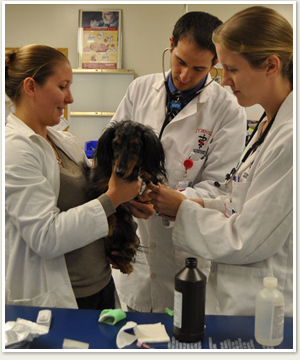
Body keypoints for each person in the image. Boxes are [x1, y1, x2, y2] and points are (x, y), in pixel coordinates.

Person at [148, 6, 293, 316]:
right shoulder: (269, 123)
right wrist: (196, 205)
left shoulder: (291, 138)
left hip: (265, 304)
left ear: (271, 65)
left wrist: (184, 209)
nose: (224, 81)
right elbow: (240, 202)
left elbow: (246, 238)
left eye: (232, 69)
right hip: (236, 295)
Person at [110, 11, 247, 312]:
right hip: (136, 237)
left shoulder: (228, 110)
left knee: (182, 328)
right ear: (171, 45)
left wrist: (170, 200)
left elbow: (219, 186)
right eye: (180, 62)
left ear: (215, 63)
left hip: (184, 245)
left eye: (199, 68)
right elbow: (113, 148)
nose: (185, 75)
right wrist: (126, 191)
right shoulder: (141, 89)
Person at [5, 45, 141, 309]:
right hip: (64, 298)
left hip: (100, 284)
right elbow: (46, 236)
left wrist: (129, 202)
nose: (70, 98)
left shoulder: (64, 141)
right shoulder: (14, 149)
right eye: (63, 86)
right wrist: (113, 199)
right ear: (31, 87)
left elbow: (92, 197)